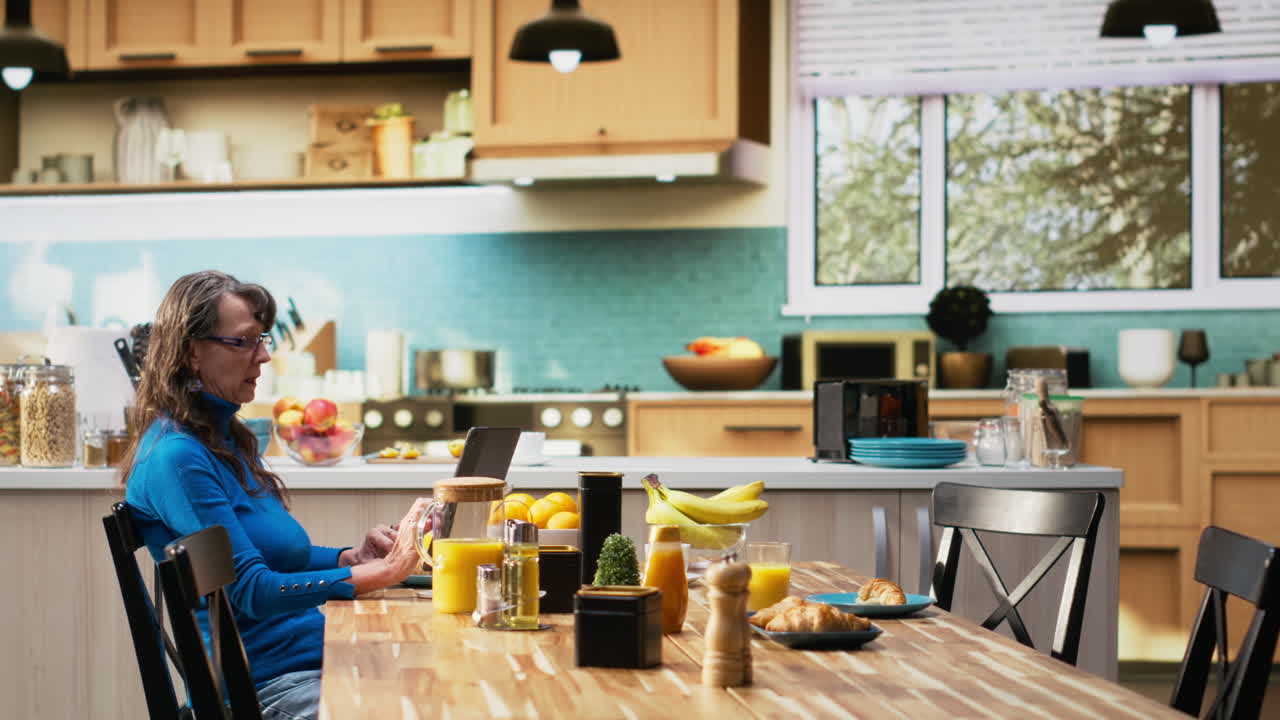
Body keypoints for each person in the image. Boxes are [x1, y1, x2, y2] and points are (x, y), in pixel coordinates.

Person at [121, 270, 426, 720]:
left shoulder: (222, 439)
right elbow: (252, 591)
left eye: (263, 339)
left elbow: (278, 558)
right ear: (191, 352)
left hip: (311, 666)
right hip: (270, 690)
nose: (263, 355)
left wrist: (351, 559)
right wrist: (380, 574)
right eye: (244, 342)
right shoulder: (177, 457)